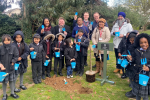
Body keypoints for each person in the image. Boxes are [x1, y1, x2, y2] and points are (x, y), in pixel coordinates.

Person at [126, 33, 150, 100]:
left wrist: (149, 68)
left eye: (145, 42)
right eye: (141, 43)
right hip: (136, 75)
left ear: (148, 42)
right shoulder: (137, 50)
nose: (144, 44)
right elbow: (134, 60)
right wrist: (131, 59)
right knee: (137, 93)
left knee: (144, 95)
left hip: (145, 77)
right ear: (139, 44)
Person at [1, 34, 19, 100]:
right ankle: (4, 95)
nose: (7, 41)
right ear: (3, 41)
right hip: (3, 69)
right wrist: (1, 65)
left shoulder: (14, 47)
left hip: (11, 68)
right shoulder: (1, 48)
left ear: (10, 40)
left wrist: (13, 62)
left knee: (11, 81)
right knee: (4, 82)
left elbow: (16, 56)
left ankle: (12, 93)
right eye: (5, 40)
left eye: (8, 40)